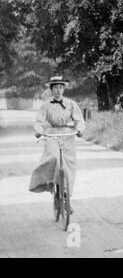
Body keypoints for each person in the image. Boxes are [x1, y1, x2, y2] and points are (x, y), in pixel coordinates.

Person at [29, 76, 85, 212]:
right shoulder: (45, 106)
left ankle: (66, 196)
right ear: (51, 90)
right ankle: (52, 184)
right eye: (55, 88)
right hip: (52, 134)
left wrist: (79, 129)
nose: (58, 90)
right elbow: (39, 122)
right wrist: (39, 131)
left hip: (67, 135)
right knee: (55, 158)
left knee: (69, 166)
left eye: (61, 87)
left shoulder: (71, 104)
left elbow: (79, 120)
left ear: (63, 89)